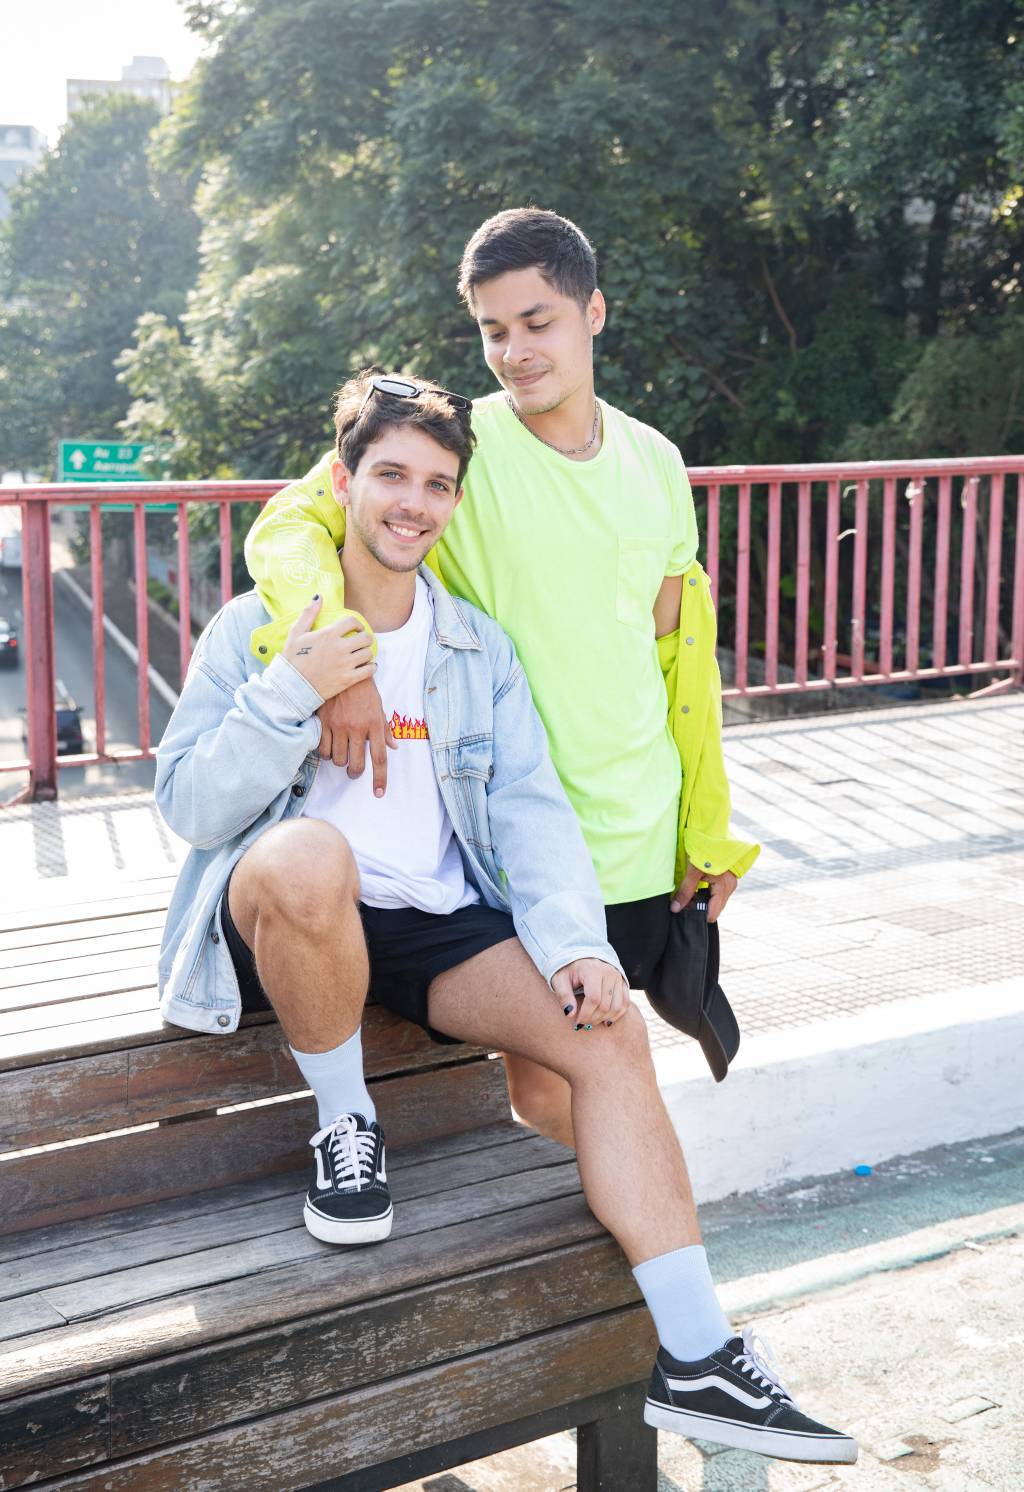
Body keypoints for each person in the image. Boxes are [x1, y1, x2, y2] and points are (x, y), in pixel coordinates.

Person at [156, 374, 857, 1465]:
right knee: (309, 851)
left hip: (430, 925)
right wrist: (292, 690)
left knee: (610, 1030)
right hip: (286, 919)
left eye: (437, 485)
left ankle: (701, 1354)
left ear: (452, 505)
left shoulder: (475, 647)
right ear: (343, 484)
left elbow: (530, 813)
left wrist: (576, 943)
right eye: (390, 474)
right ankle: (347, 1127)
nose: (412, 502)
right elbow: (189, 808)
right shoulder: (256, 628)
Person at [243, 208, 759, 1152]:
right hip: (516, 835)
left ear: (593, 311)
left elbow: (681, 667)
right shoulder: (455, 456)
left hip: (643, 830)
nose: (515, 351)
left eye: (538, 322)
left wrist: (706, 825)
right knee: (556, 1078)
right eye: (493, 330)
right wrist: (343, 655)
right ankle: (618, 1274)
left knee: (618, 1069)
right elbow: (288, 524)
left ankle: (637, 1271)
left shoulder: (658, 461)